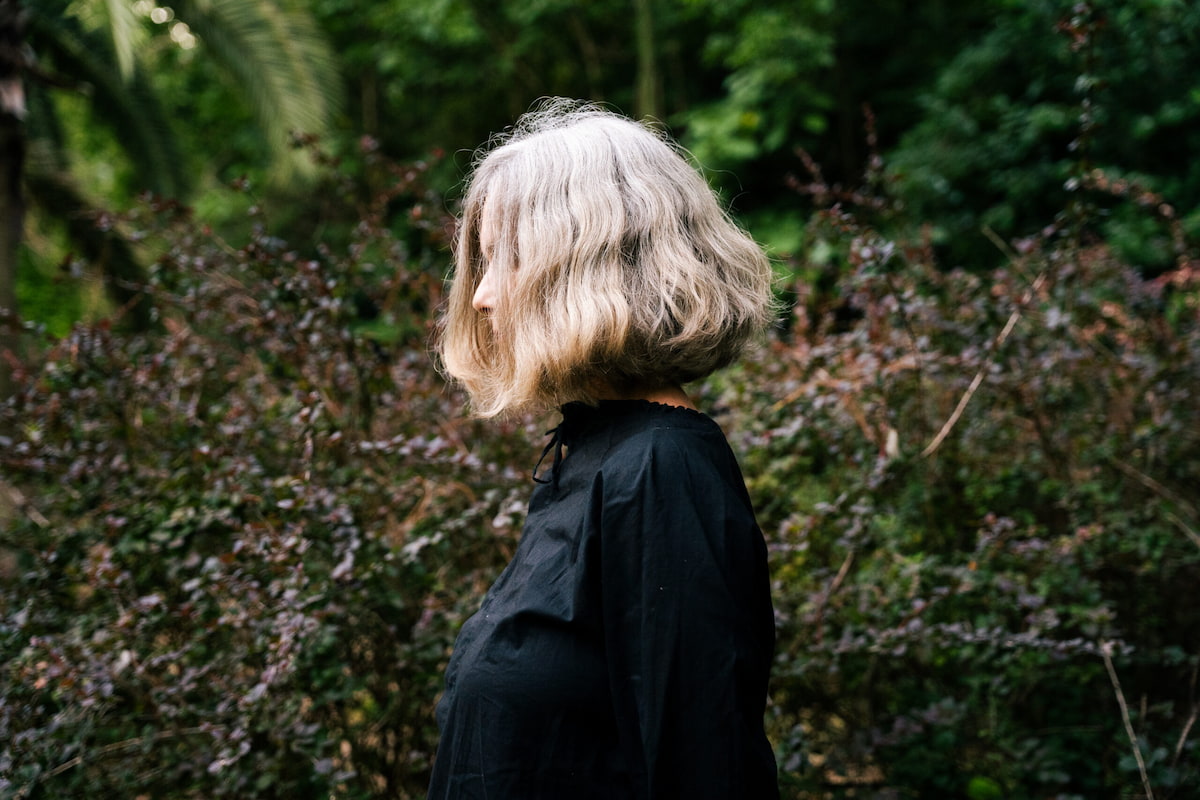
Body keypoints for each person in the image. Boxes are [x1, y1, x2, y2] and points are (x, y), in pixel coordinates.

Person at [430, 99, 779, 800]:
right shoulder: (596, 452)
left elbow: (700, 770)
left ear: (589, 271)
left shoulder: (658, 471)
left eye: (507, 260)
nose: (484, 296)